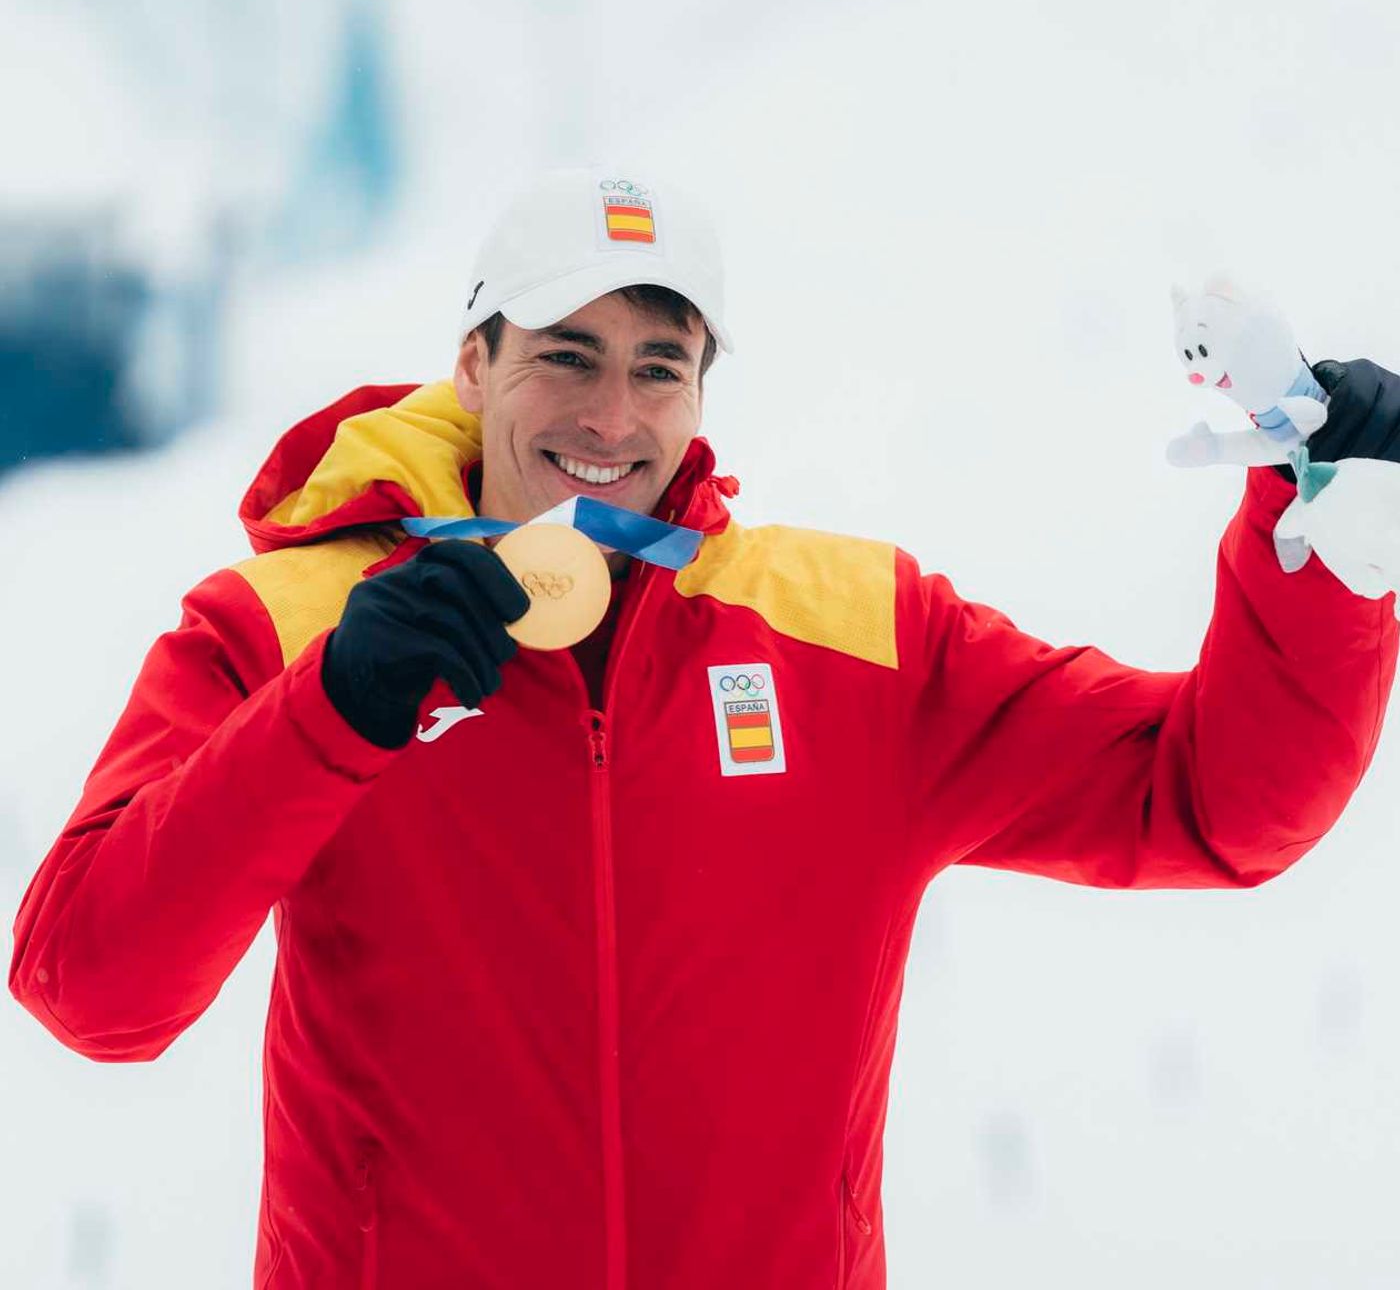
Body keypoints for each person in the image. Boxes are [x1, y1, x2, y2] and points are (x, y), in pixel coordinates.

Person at [9, 166, 1400, 1290]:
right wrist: (335, 714)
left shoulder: (855, 634)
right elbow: (89, 988)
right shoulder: (286, 631)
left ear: (699, 393)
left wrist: (1333, 548)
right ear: (476, 362)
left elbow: (1214, 803)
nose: (611, 414)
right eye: (566, 356)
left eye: (658, 368)